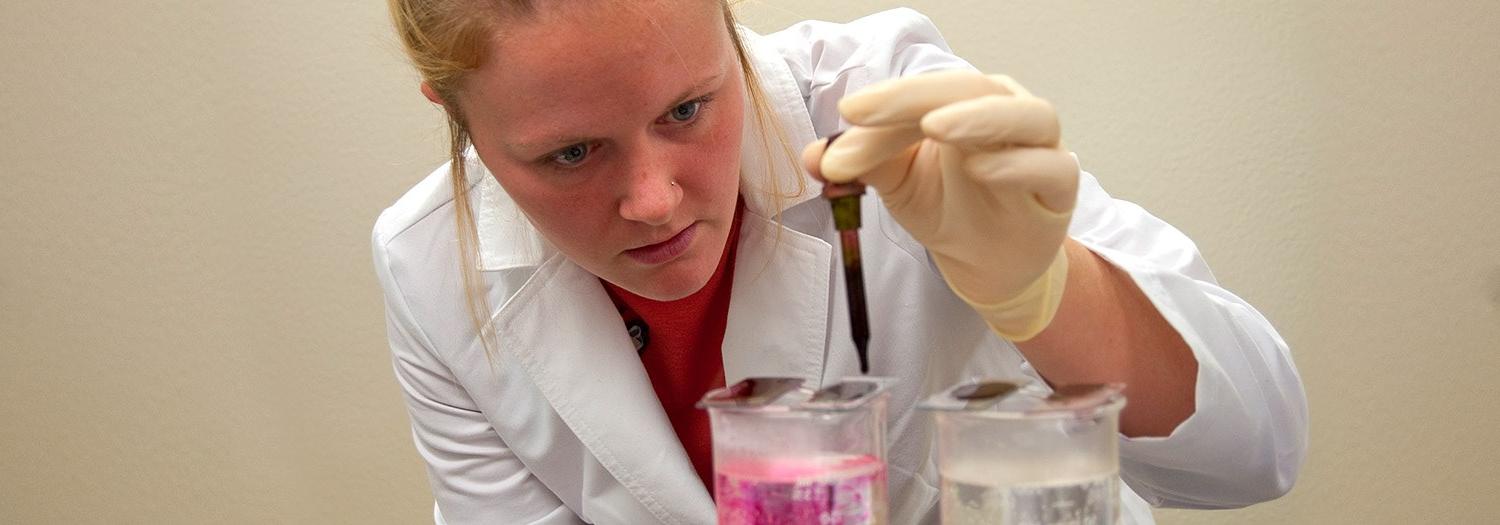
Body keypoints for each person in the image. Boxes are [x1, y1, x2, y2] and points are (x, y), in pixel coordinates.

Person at [372, 1, 1308, 523]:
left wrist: (1048, 288)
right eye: (571, 154)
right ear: (450, 112)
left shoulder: (886, 105)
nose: (653, 199)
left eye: (688, 109)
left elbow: (1253, 449)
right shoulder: (431, 271)